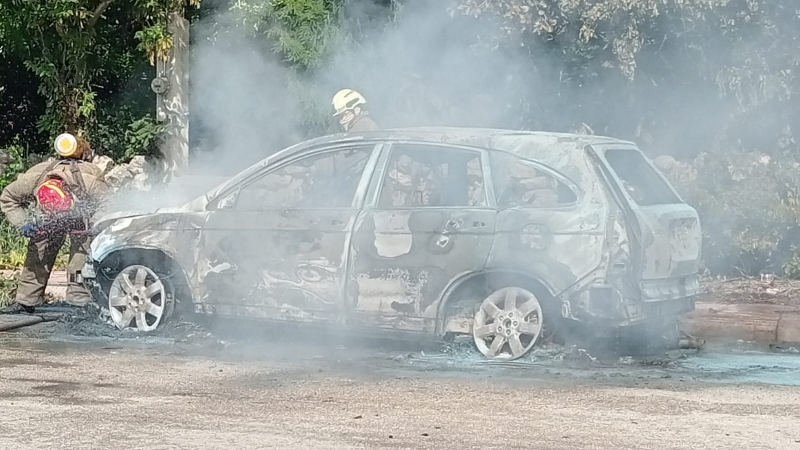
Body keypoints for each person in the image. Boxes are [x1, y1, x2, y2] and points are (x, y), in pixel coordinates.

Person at [0, 133, 111, 313]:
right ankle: (27, 301)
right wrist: (24, 223)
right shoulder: (38, 175)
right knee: (39, 254)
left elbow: (108, 203)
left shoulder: (89, 178)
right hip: (47, 216)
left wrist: (94, 224)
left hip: (81, 218)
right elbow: (8, 197)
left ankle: (79, 301)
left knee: (81, 259)